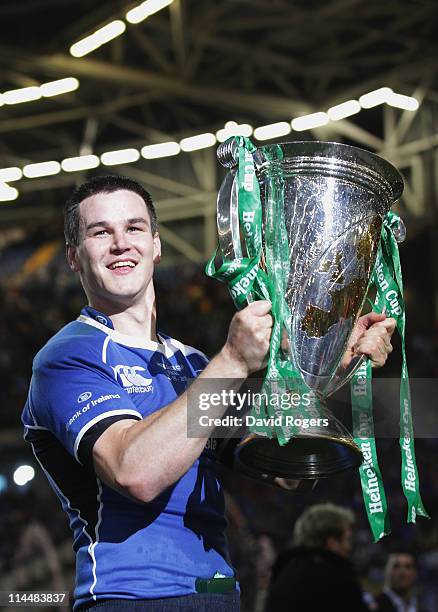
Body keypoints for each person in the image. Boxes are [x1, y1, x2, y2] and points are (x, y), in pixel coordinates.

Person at [21, 175, 396, 611]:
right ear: (74, 257)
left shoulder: (193, 365)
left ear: (156, 246)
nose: (121, 243)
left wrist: (330, 363)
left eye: (134, 228)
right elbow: (134, 472)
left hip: (218, 595)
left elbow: (287, 466)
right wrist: (233, 362)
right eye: (100, 232)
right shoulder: (66, 357)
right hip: (134, 598)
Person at [264, 503, 371, 611]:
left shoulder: (283, 573)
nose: (348, 547)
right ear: (332, 543)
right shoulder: (338, 580)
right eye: (346, 539)